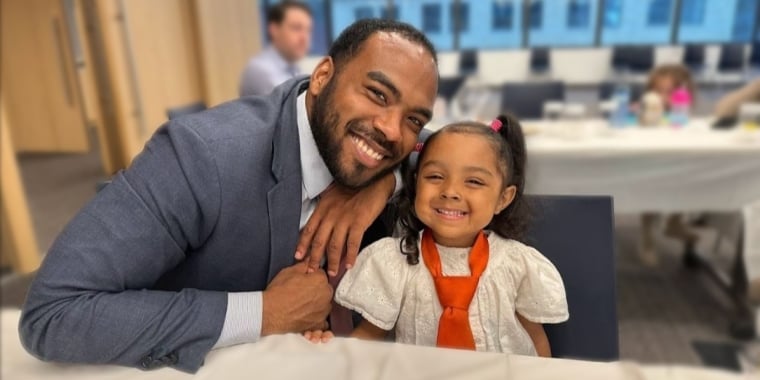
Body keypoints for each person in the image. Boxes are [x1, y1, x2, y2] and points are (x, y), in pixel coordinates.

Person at [19, 19, 439, 373]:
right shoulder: (200, 156)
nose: (390, 129)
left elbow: (453, 149)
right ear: (323, 76)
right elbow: (53, 314)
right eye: (377, 95)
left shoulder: (382, 151)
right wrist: (263, 312)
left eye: (412, 117)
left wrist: (385, 181)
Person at [304, 115, 569, 357]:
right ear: (416, 183)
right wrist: (331, 352)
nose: (450, 191)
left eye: (474, 181)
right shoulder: (393, 263)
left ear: (503, 198)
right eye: (435, 176)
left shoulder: (517, 264)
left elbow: (536, 341)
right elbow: (368, 338)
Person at [640, 64, 698, 265]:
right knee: (649, 188)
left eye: (669, 91)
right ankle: (647, 237)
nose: (663, 96)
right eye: (658, 91)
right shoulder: (646, 107)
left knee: (688, 177)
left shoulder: (683, 109)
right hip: (650, 162)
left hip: (678, 159)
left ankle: (675, 220)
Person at [239, 1, 312, 97]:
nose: (304, 38)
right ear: (274, 30)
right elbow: (294, 107)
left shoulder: (295, 68)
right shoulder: (260, 70)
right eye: (296, 28)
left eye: (308, 30)